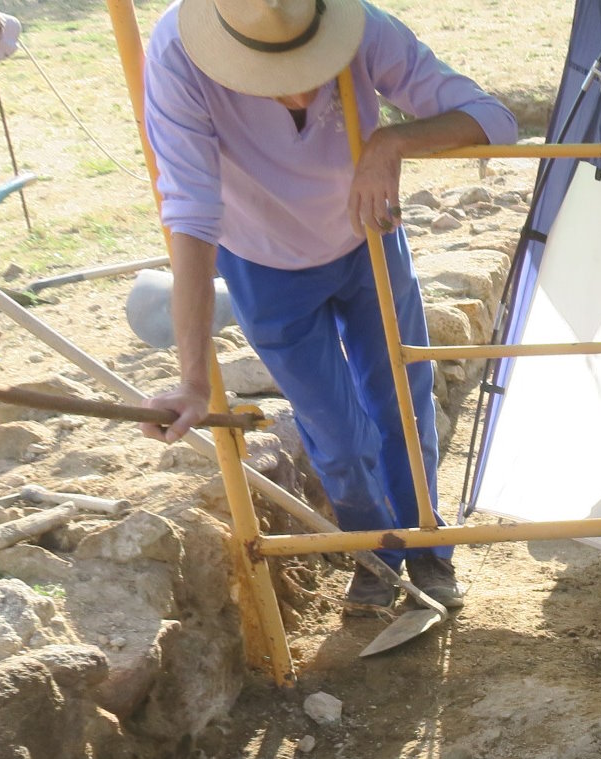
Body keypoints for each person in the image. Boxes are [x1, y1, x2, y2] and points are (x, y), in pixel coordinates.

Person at [139, 0, 520, 614]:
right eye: (272, 71)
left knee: (403, 403)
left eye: (308, 61)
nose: (296, 88)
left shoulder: (359, 24)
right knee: (337, 437)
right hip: (261, 261)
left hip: (371, 238)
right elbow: (189, 213)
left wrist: (393, 140)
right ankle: (375, 553)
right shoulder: (178, 53)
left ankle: (428, 549)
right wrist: (190, 380)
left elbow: (495, 119)